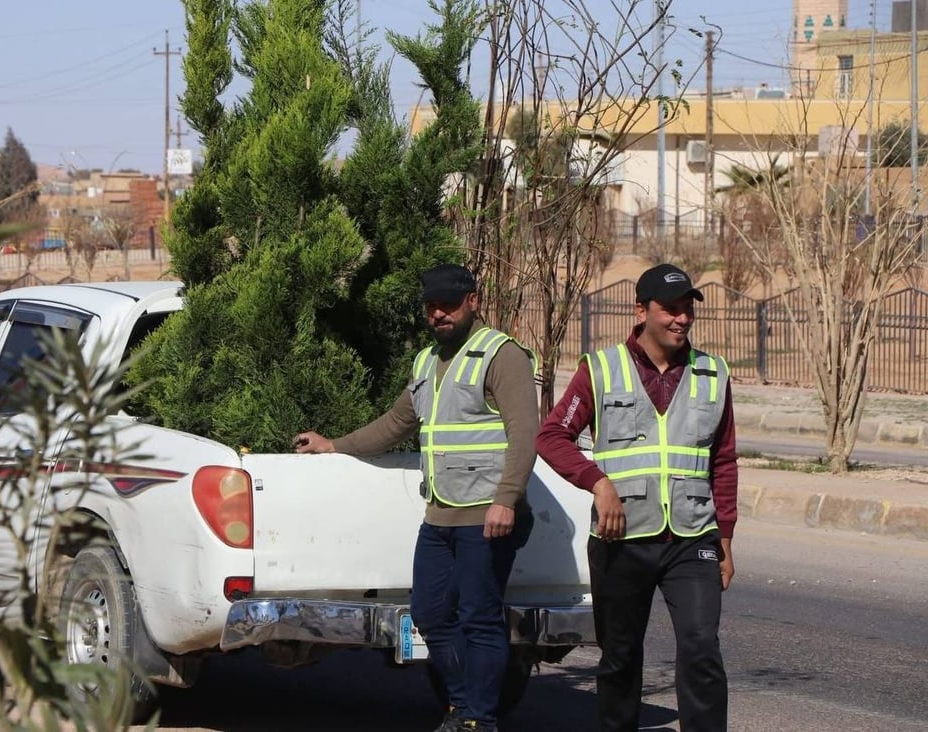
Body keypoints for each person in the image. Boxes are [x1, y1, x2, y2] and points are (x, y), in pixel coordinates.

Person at [294, 263, 539, 732]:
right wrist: (334, 444)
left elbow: (524, 434)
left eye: (448, 304)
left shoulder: (501, 356)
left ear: (473, 301)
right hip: (441, 514)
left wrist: (506, 499)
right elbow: (396, 424)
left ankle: (479, 721)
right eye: (431, 307)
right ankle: (463, 707)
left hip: (486, 515)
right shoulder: (428, 361)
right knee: (428, 614)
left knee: (479, 619)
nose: (439, 314)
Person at [535, 263, 737, 732]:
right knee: (620, 658)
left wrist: (725, 536)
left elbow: (723, 460)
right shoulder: (601, 369)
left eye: (687, 309)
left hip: (692, 538)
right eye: (670, 309)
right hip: (621, 540)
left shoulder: (713, 373)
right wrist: (598, 482)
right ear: (640, 311)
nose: (681, 319)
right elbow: (552, 436)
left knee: (701, 648)